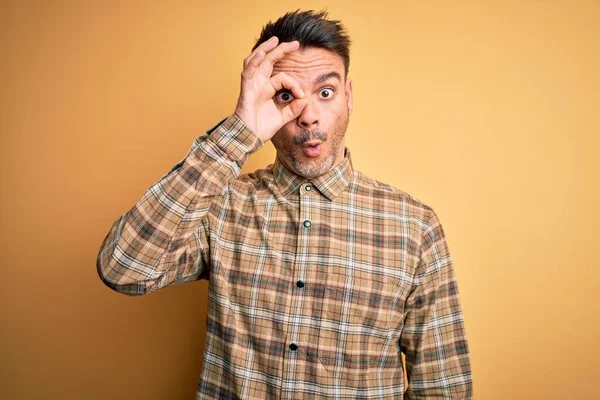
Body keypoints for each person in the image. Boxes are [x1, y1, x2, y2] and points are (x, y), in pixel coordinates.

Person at [97, 9, 473, 399]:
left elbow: (442, 389)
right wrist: (240, 130)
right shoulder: (221, 205)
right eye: (286, 96)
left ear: (348, 96)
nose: (309, 116)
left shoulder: (414, 227)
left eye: (325, 93)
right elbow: (123, 268)